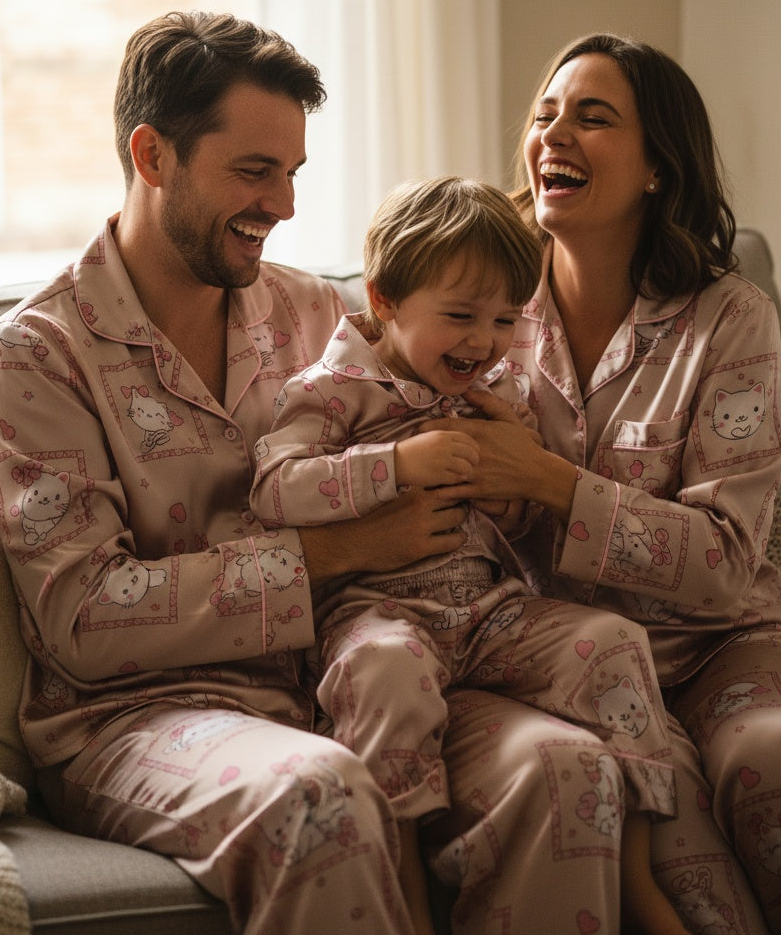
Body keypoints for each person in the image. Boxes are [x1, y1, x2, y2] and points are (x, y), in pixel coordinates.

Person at [0, 11, 663, 935]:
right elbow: (86, 621)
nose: (285, 205)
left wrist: (503, 459)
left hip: (352, 678)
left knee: (567, 769)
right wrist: (338, 551)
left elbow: (448, 400)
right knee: (322, 795)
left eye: (293, 172)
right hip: (142, 714)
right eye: (255, 171)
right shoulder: (39, 357)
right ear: (152, 155)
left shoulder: (311, 309)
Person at [425, 32, 781, 934]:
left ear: (655, 168)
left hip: (727, 641)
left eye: (593, 117)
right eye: (544, 115)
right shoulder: (479, 308)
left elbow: (721, 564)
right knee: (677, 843)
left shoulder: (731, 318)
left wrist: (555, 484)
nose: (554, 133)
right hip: (578, 662)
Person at [250, 175, 685, 935]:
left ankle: (641, 877)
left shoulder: (491, 391)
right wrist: (397, 465)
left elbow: (520, 526)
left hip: (489, 614)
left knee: (615, 642)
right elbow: (275, 490)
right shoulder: (336, 388)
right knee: (382, 673)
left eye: (503, 320)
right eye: (460, 316)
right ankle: (407, 883)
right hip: (379, 615)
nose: (483, 342)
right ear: (385, 299)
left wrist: (509, 484)